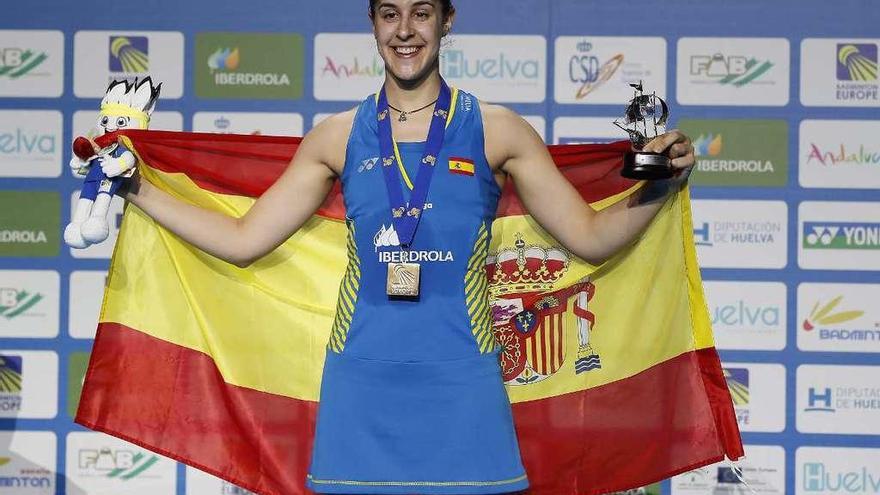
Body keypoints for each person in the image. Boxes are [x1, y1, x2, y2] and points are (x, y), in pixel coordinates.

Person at [122, 0, 695, 493]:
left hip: (464, 389)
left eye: (421, 12)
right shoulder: (337, 136)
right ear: (371, 24)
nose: (404, 30)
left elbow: (590, 239)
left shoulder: (498, 130)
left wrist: (661, 183)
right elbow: (243, 240)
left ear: (447, 22)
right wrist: (138, 188)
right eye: (389, 13)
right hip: (360, 391)